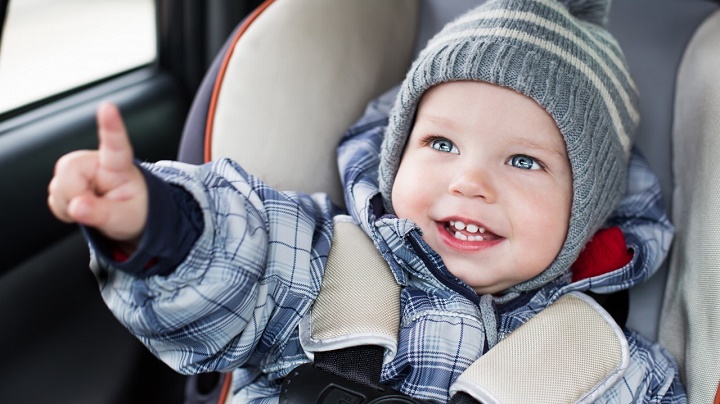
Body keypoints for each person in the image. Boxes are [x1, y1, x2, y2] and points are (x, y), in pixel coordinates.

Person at [47, 0, 685, 401]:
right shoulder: (330, 264)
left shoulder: (603, 364)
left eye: (523, 161)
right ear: (395, 156)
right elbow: (239, 257)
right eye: (440, 143)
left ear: (586, 212)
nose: (470, 182)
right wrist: (158, 223)